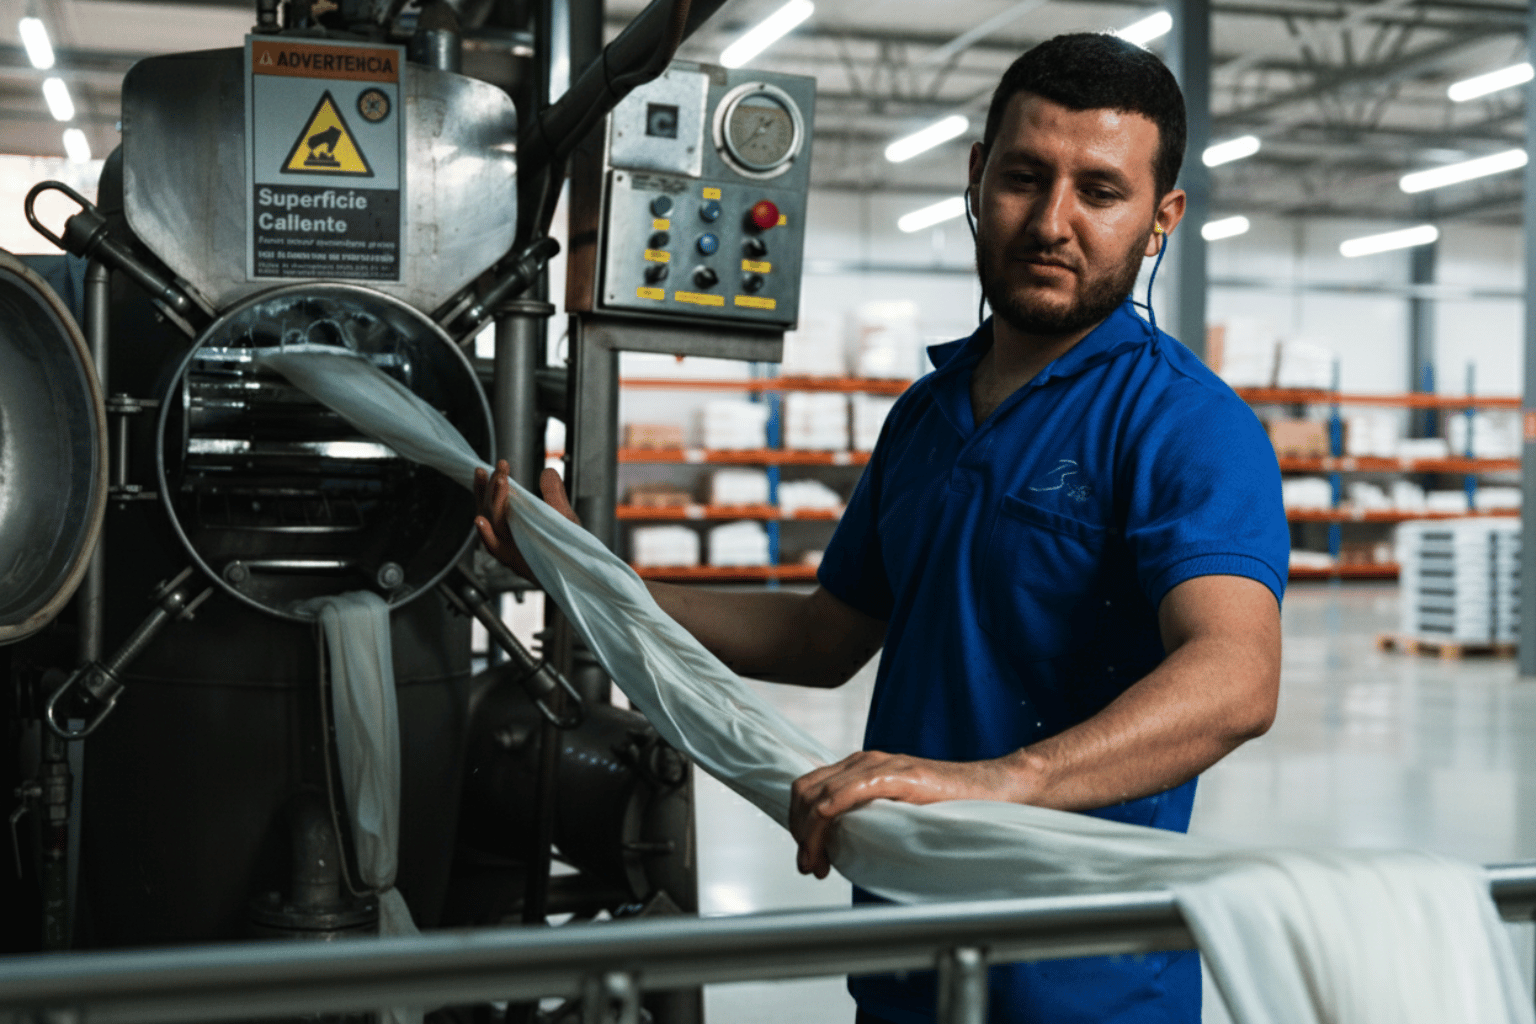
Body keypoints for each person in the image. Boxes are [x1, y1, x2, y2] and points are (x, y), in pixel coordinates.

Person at [475, 31, 1288, 1024]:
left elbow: (1236, 678)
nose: (1052, 222)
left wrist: (996, 783)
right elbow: (825, 636)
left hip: (1084, 979)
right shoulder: (928, 413)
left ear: (1161, 220)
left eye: (1100, 192)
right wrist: (589, 576)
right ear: (975, 177)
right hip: (907, 950)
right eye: (1025, 177)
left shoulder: (1184, 424)